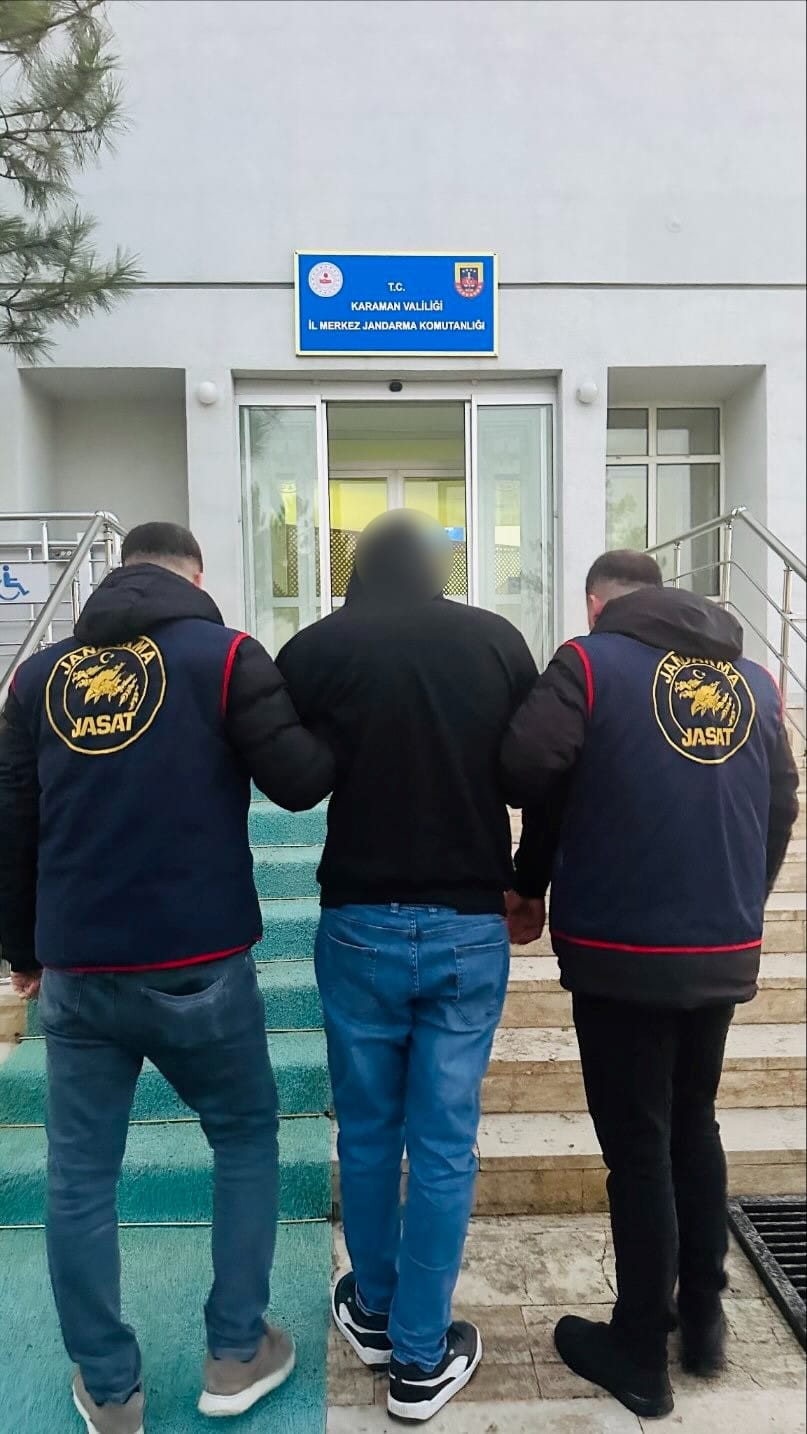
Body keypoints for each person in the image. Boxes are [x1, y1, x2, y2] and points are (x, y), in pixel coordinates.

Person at [0, 522, 334, 1434]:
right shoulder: (223, 658)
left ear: (118, 576)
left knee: (78, 1176)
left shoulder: (37, 679)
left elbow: (14, 821)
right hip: (198, 962)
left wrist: (22, 953)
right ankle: (235, 1353)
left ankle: (110, 1391)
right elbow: (300, 782)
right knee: (245, 1138)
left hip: (77, 967)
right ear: (195, 575)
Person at [501, 549, 800, 1420]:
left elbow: (523, 769)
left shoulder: (589, 663)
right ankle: (702, 1321)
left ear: (596, 605)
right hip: (720, 943)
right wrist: (741, 899)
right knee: (692, 1124)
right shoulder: (753, 679)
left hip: (620, 948)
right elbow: (782, 801)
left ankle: (638, 1351)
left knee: (637, 1146)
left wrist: (531, 874)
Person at [276, 510, 538, 1423]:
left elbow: (281, 765)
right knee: (442, 1143)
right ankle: (421, 1359)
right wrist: (530, 880)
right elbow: (541, 768)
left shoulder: (317, 647)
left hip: (358, 923)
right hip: (467, 923)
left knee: (365, 1130)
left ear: (357, 570)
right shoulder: (496, 642)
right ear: (434, 569)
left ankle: (375, 1311)